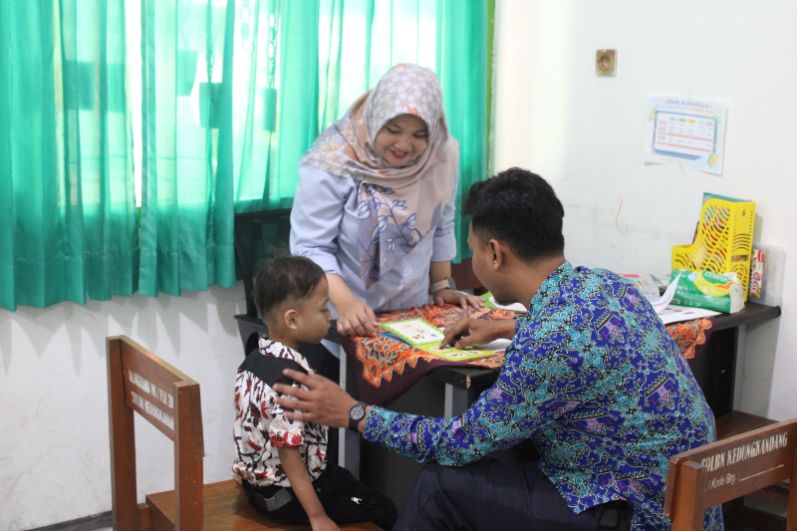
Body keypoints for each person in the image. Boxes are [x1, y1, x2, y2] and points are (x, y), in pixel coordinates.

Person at [273, 169, 724, 530]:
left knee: (441, 484)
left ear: (494, 252)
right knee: (509, 454)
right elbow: (587, 338)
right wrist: (507, 324)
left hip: (634, 514)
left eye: (471, 251)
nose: (471, 261)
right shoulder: (606, 285)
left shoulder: (548, 346)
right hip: (682, 501)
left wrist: (354, 413)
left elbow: (460, 442)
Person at [290, 63, 481, 340]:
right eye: (392, 129)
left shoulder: (441, 152)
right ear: (375, 117)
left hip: (413, 312)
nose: (403, 145)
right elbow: (311, 246)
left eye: (419, 135)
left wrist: (442, 285)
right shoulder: (333, 158)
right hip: (343, 312)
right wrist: (347, 304)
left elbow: (442, 220)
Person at [232, 255, 397, 530]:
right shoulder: (290, 381)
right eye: (323, 310)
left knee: (346, 479)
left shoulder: (253, 358)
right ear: (292, 319)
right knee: (381, 507)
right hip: (290, 499)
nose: (330, 316)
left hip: (259, 489)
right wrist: (317, 516)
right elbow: (289, 455)